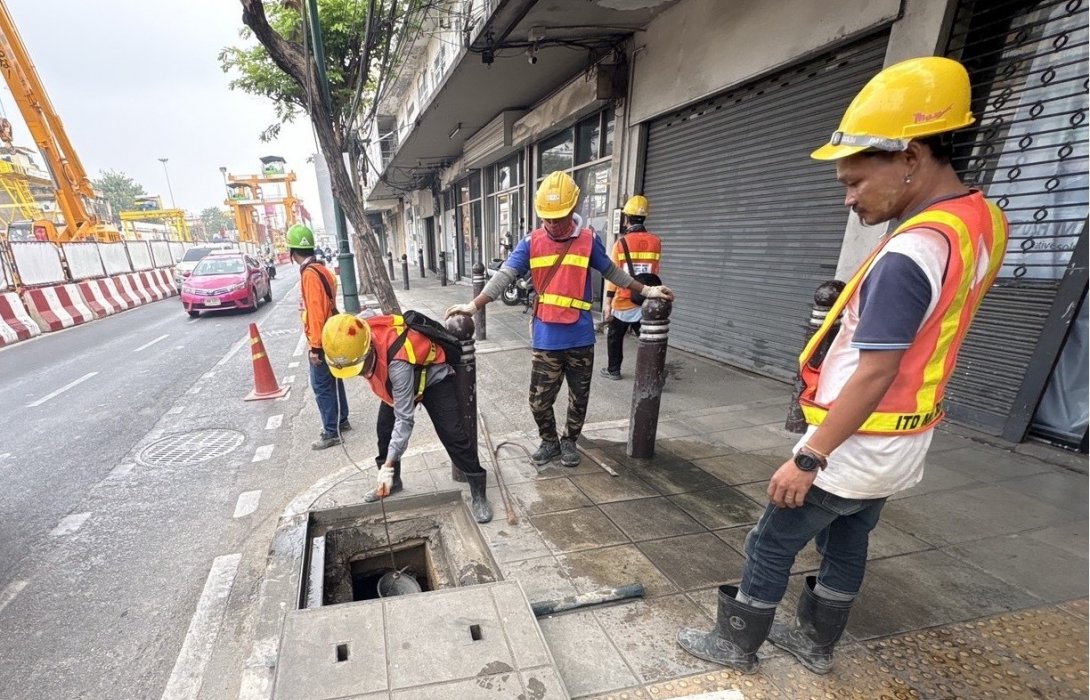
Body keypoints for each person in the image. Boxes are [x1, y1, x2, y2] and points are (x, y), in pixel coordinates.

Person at [677, 56, 1008, 675]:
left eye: (855, 182)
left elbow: (878, 370)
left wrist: (808, 456)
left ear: (910, 156)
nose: (850, 198)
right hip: (906, 438)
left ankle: (736, 645)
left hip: (855, 438)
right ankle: (816, 643)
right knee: (848, 538)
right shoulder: (981, 221)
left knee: (771, 540)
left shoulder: (911, 251)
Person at [445, 171, 674, 468]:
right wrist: (473, 306)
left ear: (573, 208)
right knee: (538, 401)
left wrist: (646, 289)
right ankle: (550, 440)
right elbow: (505, 275)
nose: (552, 224)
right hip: (546, 336)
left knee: (579, 399)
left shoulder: (589, 240)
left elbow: (612, 273)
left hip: (580, 336)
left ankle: (569, 441)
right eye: (547, 218)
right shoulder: (532, 241)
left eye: (559, 217)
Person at [320, 313, 493, 523]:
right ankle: (392, 482)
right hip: (397, 381)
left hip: (431, 378)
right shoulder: (358, 334)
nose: (359, 374)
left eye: (360, 367)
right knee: (384, 432)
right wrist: (387, 467)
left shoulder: (397, 364)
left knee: (452, 433)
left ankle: (478, 488)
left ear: (369, 350)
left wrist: (389, 463)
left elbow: (405, 419)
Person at [287, 223, 350, 450]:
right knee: (334, 378)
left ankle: (331, 431)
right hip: (332, 331)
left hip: (322, 336)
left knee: (321, 384)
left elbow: (315, 312)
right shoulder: (322, 268)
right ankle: (341, 420)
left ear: (291, 251)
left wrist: (315, 347)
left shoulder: (309, 275)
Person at [601, 195, 662, 380]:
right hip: (645, 299)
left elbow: (613, 274)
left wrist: (608, 301)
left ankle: (613, 370)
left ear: (626, 218)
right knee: (649, 339)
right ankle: (653, 374)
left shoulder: (621, 243)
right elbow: (655, 271)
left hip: (623, 299)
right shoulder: (656, 241)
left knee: (615, 337)